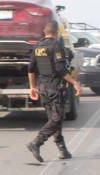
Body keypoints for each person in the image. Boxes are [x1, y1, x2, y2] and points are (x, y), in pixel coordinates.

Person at [26, 20, 82, 162]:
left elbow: (31, 69)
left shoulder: (37, 46)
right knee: (57, 118)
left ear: (45, 32)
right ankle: (36, 142)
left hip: (43, 88)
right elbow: (60, 70)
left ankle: (63, 150)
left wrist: (33, 87)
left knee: (54, 119)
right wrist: (75, 82)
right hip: (55, 88)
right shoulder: (57, 46)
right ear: (57, 33)